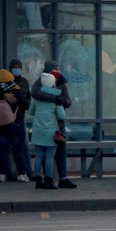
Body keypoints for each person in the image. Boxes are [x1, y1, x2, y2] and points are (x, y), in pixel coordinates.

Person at [31, 60, 75, 188]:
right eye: (55, 69)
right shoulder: (41, 81)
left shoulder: (61, 82)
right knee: (49, 154)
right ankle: (48, 179)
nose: (58, 71)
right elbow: (35, 92)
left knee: (59, 151)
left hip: (53, 125)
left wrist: (64, 101)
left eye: (59, 69)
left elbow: (67, 100)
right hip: (54, 125)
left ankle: (61, 177)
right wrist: (55, 99)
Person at [0, 58, 33, 181]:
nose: (17, 69)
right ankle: (22, 173)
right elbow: (26, 104)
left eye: (19, 67)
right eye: (15, 67)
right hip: (16, 121)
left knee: (3, 149)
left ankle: (2, 174)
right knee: (18, 148)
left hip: (2, 123)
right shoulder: (16, 88)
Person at [30, 71, 65, 190]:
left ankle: (38, 180)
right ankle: (49, 180)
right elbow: (61, 116)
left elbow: (31, 112)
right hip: (51, 131)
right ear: (53, 84)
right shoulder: (56, 98)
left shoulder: (37, 97)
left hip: (38, 130)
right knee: (49, 156)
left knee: (39, 155)